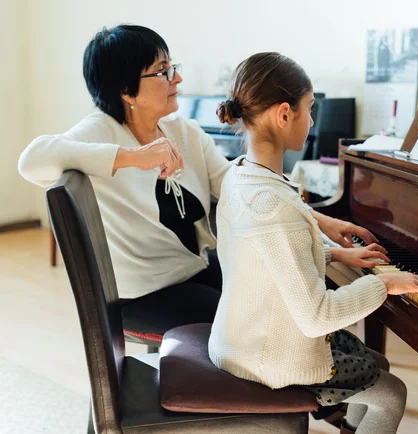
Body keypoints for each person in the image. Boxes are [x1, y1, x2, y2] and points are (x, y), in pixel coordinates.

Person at [17, 25, 382, 336]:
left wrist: (324, 224)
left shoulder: (182, 130)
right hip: (146, 293)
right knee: (266, 319)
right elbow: (32, 160)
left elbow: (241, 190)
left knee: (286, 288)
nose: (177, 78)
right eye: (162, 71)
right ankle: (315, 400)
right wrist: (134, 157)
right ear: (127, 91)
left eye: (171, 67)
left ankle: (321, 391)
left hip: (195, 269)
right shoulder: (100, 131)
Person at [209, 52, 418, 434]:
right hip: (267, 356)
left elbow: (272, 257)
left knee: (376, 365)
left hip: (239, 336)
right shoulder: (273, 206)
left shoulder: (241, 176)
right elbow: (317, 317)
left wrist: (335, 253)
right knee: (393, 393)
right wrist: (384, 283)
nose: (313, 119)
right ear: (284, 114)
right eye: (309, 108)